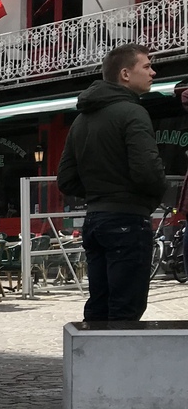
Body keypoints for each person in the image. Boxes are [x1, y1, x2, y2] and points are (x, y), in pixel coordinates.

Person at [57, 44, 167, 321]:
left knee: (99, 305)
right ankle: (118, 352)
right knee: (125, 309)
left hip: (95, 219)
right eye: (147, 66)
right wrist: (152, 195)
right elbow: (147, 170)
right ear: (125, 74)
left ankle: (91, 350)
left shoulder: (81, 119)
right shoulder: (132, 112)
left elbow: (66, 179)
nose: (153, 72)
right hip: (128, 219)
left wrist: (100, 193)